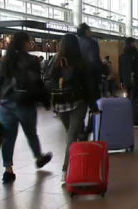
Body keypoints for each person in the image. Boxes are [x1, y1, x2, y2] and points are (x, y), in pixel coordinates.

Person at [0, 32, 52, 183]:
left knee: (8, 137)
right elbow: (37, 83)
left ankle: (8, 170)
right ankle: (38, 157)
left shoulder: (5, 60)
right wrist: (46, 100)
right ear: (25, 43)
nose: (31, 44)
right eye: (29, 41)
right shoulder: (31, 60)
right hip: (25, 103)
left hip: (6, 104)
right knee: (31, 133)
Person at [48, 34, 99, 182]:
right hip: (78, 101)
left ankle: (70, 168)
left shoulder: (55, 61)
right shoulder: (82, 62)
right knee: (72, 136)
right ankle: (68, 169)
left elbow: (50, 80)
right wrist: (93, 105)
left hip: (61, 103)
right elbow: (88, 86)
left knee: (71, 134)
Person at [77, 23, 103, 98]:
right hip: (91, 75)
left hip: (80, 75)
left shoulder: (77, 42)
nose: (91, 32)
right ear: (86, 31)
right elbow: (94, 60)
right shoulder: (92, 42)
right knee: (95, 100)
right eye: (90, 30)